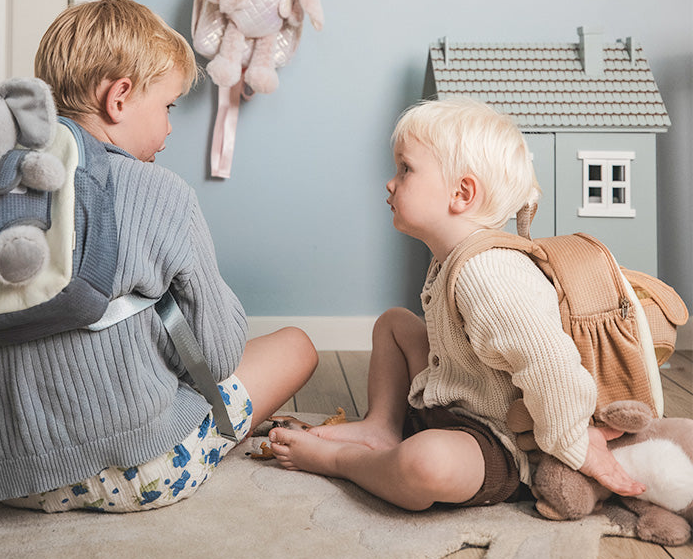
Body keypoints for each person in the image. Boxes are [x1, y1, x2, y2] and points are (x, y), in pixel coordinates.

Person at [0, 0, 318, 512]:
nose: (169, 127)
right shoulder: (161, 192)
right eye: (168, 107)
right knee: (296, 346)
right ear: (119, 98)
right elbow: (216, 356)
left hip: (7, 481)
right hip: (145, 471)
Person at [269, 97, 645, 511]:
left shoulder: (489, 271)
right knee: (394, 324)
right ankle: (381, 428)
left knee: (424, 464)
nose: (390, 183)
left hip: (496, 438)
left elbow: (551, 364)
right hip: (455, 401)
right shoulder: (454, 257)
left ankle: (343, 461)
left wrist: (572, 442)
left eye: (405, 169)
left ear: (461, 193)